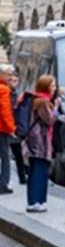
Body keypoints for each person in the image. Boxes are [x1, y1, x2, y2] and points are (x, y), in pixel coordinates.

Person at [23, 75, 58, 212]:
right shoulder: (43, 102)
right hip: (40, 142)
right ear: (46, 86)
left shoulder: (34, 99)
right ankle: (38, 201)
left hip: (32, 141)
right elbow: (50, 120)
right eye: (52, 85)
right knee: (40, 171)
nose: (54, 89)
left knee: (33, 171)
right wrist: (56, 107)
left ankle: (32, 201)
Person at [8, 70, 26, 185]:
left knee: (18, 154)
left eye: (17, 81)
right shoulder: (7, 94)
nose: (16, 83)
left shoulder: (16, 95)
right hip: (7, 128)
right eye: (13, 81)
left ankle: (22, 178)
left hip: (14, 128)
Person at [0, 65, 16, 194]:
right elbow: (5, 110)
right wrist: (11, 128)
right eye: (8, 75)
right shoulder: (4, 90)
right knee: (5, 157)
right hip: (2, 128)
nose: (10, 77)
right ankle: (3, 183)